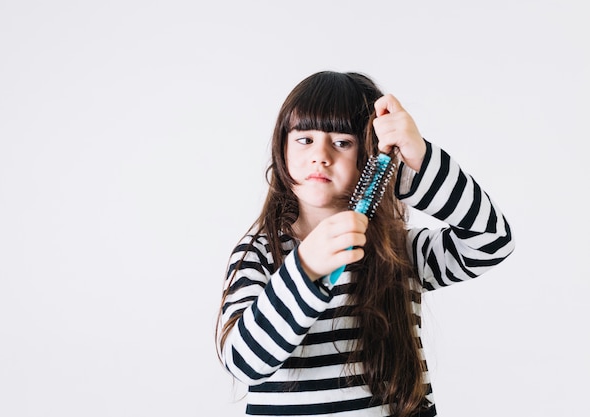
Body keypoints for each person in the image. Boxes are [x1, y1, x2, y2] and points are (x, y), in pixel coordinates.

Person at [215, 71, 515, 417]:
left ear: (369, 157)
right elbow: (242, 361)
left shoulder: (400, 252)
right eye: (304, 139)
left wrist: (418, 162)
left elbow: (492, 239)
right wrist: (304, 269)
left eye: (342, 142)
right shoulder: (260, 252)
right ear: (281, 147)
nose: (320, 155)